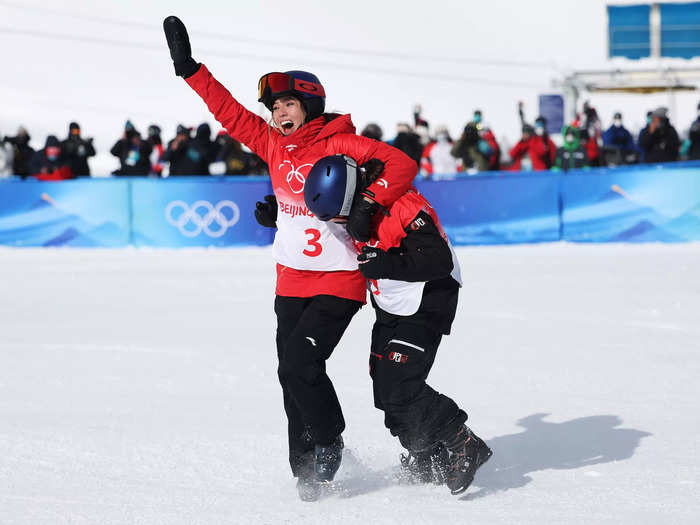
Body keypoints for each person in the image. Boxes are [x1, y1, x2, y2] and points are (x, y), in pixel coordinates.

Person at [163, 16, 417, 500]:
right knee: (289, 373)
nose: (280, 113)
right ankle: (305, 467)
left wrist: (368, 205)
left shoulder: (339, 142)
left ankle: (328, 440)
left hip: (338, 280)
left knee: (302, 361)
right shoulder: (272, 145)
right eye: (275, 106)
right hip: (289, 280)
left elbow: (401, 165)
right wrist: (190, 70)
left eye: (289, 104)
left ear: (310, 105)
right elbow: (230, 113)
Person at [304, 154, 492, 496]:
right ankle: (426, 451)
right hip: (392, 301)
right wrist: (275, 216)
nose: (340, 223)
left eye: (339, 215)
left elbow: (439, 260)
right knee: (384, 387)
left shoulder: (402, 204)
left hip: (429, 297)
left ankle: (463, 441)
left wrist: (386, 263)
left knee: (400, 383)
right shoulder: (349, 210)